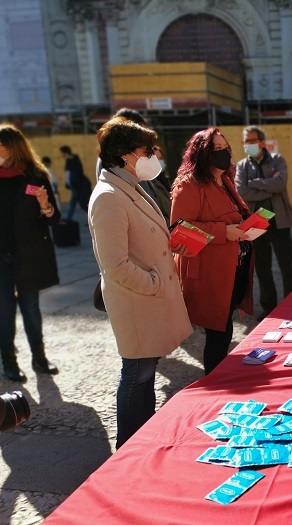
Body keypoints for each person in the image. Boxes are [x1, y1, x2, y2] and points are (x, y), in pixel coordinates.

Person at [89, 117, 192, 448]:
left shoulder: (129, 187)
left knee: (146, 372)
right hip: (137, 302)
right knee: (136, 375)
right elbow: (115, 264)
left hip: (147, 300)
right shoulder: (109, 196)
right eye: (147, 150)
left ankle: (140, 442)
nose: (153, 156)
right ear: (124, 154)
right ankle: (127, 447)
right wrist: (155, 283)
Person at [172, 128, 255, 374]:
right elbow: (178, 235)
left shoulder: (225, 180)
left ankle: (218, 380)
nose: (223, 153)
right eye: (216, 149)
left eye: (225, 148)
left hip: (233, 269)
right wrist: (223, 232)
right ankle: (213, 386)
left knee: (224, 330)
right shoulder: (189, 185)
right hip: (211, 274)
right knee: (218, 335)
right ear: (202, 154)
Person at [0, 124, 61, 382]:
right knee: (3, 310)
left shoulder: (35, 176)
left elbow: (53, 218)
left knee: (31, 308)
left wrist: (45, 206)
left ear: (12, 148)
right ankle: (9, 362)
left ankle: (39, 357)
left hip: (30, 255)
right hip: (0, 257)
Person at [235, 126, 292, 321]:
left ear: (262, 142)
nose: (249, 145)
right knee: (262, 266)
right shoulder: (242, 166)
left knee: (286, 265)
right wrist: (268, 185)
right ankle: (268, 307)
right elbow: (241, 191)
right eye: (246, 141)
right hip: (256, 221)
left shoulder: (278, 160)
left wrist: (254, 182)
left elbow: (280, 184)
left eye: (253, 141)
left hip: (279, 219)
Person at [60, 145, 91, 221]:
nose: (61, 155)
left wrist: (71, 183)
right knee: (81, 204)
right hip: (76, 185)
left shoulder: (74, 160)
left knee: (80, 203)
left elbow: (76, 173)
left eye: (62, 153)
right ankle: (91, 219)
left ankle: (68, 218)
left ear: (66, 153)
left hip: (79, 185)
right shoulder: (69, 160)